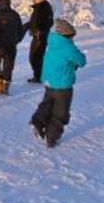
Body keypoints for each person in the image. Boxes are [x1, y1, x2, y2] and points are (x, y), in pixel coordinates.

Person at [30, 19, 86, 148]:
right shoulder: (68, 47)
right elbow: (81, 61)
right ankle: (51, 137)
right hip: (63, 85)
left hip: (49, 82)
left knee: (47, 104)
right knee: (60, 112)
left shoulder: (53, 42)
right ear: (67, 35)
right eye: (72, 36)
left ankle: (37, 122)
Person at [0, 0, 26, 95]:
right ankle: (5, 87)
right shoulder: (15, 14)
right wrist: (15, 41)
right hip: (11, 46)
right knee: (8, 66)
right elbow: (20, 32)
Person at [26, 0, 54, 83]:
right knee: (36, 56)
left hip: (40, 36)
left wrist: (40, 30)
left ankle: (39, 76)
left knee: (35, 57)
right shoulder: (41, 7)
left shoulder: (44, 8)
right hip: (37, 35)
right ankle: (39, 75)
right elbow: (35, 21)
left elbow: (48, 22)